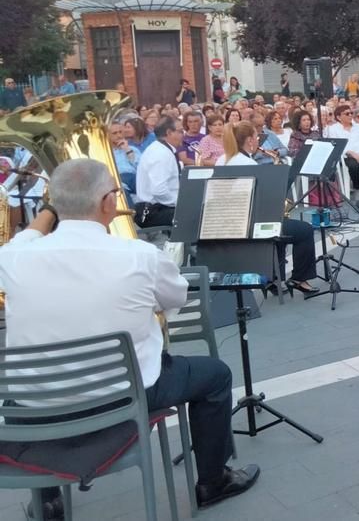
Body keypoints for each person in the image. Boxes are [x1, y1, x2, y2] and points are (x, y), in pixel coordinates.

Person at [0, 160, 260, 520]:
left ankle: (48, 501)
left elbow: (27, 236)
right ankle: (213, 482)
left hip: (34, 406)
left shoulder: (13, 257)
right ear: (109, 202)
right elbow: (176, 299)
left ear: (55, 205)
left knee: (31, 380)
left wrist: (50, 209)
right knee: (215, 375)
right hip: (123, 396)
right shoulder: (140, 255)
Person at [217, 121, 318, 293]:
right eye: (256, 137)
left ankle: (273, 279)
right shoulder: (247, 164)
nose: (258, 141)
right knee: (305, 230)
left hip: (231, 221)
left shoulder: (222, 160)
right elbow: (262, 199)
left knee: (281, 225)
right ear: (249, 140)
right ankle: (299, 278)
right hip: (250, 224)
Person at [133, 117, 182, 227]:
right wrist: (180, 203)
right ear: (169, 132)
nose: (182, 135)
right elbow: (159, 190)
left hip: (158, 207)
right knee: (196, 216)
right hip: (153, 211)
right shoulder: (161, 154)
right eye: (180, 131)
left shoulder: (159, 149)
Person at [109, 122, 140, 194]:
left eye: (120, 132)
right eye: (115, 133)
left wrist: (127, 150)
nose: (119, 135)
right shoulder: (107, 153)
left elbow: (141, 168)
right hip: (117, 179)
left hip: (134, 178)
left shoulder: (132, 149)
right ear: (108, 136)